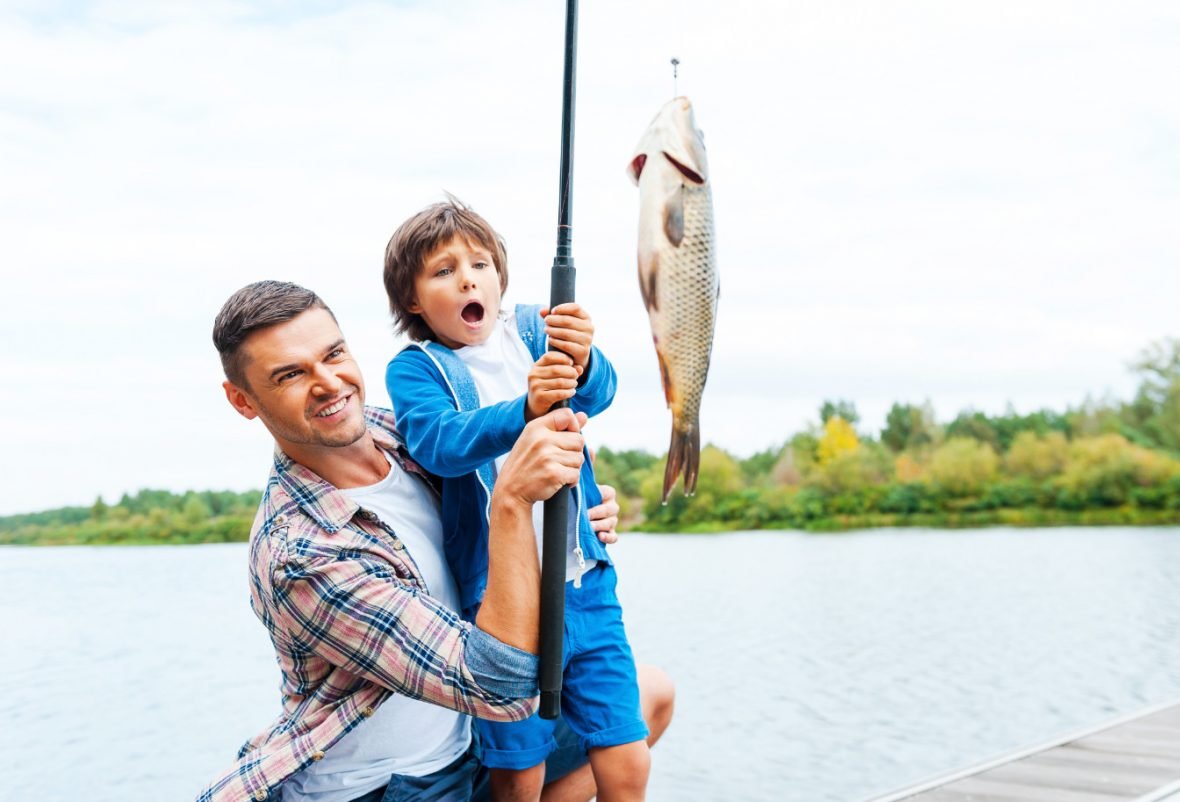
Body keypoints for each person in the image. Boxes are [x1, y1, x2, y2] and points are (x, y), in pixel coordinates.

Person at [198, 281, 672, 802]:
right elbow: (498, 687)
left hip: (466, 741)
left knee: (650, 695)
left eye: (333, 354)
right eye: (290, 374)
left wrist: (571, 517)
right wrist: (513, 502)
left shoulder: (402, 434)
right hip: (391, 785)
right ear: (242, 400)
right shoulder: (300, 553)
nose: (329, 383)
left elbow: (496, 451)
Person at [383, 200, 650, 801]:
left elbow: (600, 394)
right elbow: (440, 443)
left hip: (585, 582)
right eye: (443, 271)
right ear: (414, 301)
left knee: (625, 754)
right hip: (500, 600)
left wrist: (583, 357)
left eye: (480, 263)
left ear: (501, 278)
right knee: (518, 771)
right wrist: (524, 410)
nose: (468, 278)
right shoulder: (417, 368)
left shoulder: (533, 328)